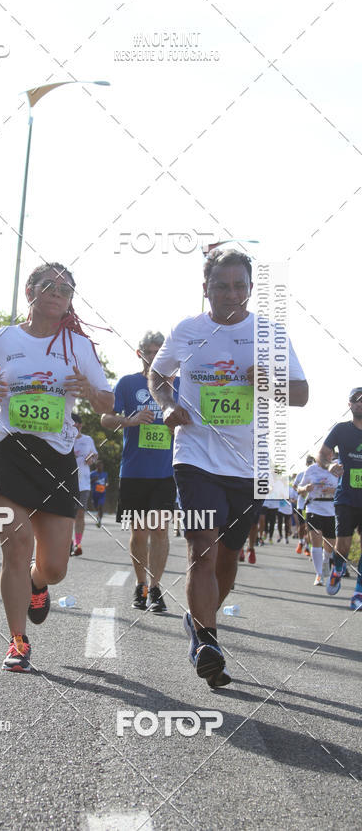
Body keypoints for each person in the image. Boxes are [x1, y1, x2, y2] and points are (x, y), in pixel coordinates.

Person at [149, 248, 308, 686]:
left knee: (227, 558)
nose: (231, 294)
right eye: (222, 286)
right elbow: (158, 376)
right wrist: (166, 406)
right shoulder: (186, 330)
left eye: (240, 286)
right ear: (206, 290)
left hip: (249, 464)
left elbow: (301, 393)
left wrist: (268, 382)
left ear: (251, 289)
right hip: (195, 456)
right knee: (202, 547)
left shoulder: (270, 333)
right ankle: (207, 642)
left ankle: (200, 624)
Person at [0, 262, 113, 672]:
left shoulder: (77, 346)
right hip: (9, 451)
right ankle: (17, 641)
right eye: (48, 285)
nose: (56, 293)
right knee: (15, 545)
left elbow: (107, 402)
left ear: (70, 300)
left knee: (55, 567)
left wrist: (88, 391)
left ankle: (38, 583)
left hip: (56, 458)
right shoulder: (4, 338)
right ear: (30, 290)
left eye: (65, 289)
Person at [101, 331, 176, 614]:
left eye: (161, 352)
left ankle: (155, 588)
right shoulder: (127, 383)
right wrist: (129, 421)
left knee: (159, 529)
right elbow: (106, 418)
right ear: (140, 353)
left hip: (166, 471)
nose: (155, 356)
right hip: (134, 470)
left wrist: (176, 423)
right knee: (139, 530)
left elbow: (195, 421)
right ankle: (140, 584)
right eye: (150, 351)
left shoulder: (177, 385)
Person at [320, 388, 362, 609]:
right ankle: (337, 568)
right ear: (349, 405)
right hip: (346, 497)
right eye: (356, 400)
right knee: (343, 546)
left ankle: (358, 592)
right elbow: (322, 454)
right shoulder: (341, 429)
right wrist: (330, 465)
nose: (360, 404)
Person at [298, 460, 337, 585]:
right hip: (313, 507)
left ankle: (326, 561)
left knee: (330, 543)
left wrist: (333, 490)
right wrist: (305, 488)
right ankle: (319, 574)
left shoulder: (338, 468)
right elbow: (299, 488)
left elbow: (345, 488)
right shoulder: (311, 469)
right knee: (316, 539)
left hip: (331, 509)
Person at [70, 414, 97, 556]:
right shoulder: (64, 438)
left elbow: (94, 455)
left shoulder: (87, 440)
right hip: (66, 483)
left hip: (84, 483)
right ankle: (67, 543)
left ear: (80, 425)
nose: (73, 426)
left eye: (75, 423)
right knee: (67, 515)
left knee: (80, 514)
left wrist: (91, 458)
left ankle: (77, 543)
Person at [294, 455, 314, 553]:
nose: (310, 463)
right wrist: (301, 491)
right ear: (306, 463)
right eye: (309, 461)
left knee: (308, 527)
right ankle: (301, 542)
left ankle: (307, 546)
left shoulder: (316, 474)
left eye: (312, 461)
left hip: (311, 505)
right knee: (302, 526)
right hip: (301, 504)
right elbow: (294, 486)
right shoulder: (301, 474)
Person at [90, 461, 109, 526]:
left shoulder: (105, 474)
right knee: (96, 507)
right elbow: (88, 482)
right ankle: (98, 515)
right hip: (94, 493)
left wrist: (106, 484)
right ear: (96, 466)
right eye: (99, 466)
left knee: (100, 506)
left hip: (102, 493)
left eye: (102, 466)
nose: (101, 467)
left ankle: (99, 520)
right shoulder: (92, 474)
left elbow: (106, 481)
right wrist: (94, 480)